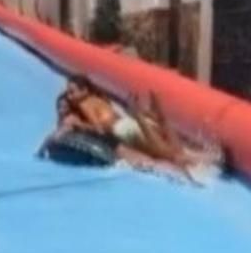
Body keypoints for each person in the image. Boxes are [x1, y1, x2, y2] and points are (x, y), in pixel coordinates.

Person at [40, 76, 221, 184]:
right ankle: (207, 159)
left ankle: (201, 166)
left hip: (123, 130)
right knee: (169, 150)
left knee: (165, 154)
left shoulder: (85, 104)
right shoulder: (100, 99)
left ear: (84, 90)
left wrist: (79, 125)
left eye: (72, 92)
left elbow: (100, 128)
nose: (70, 97)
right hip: (127, 121)